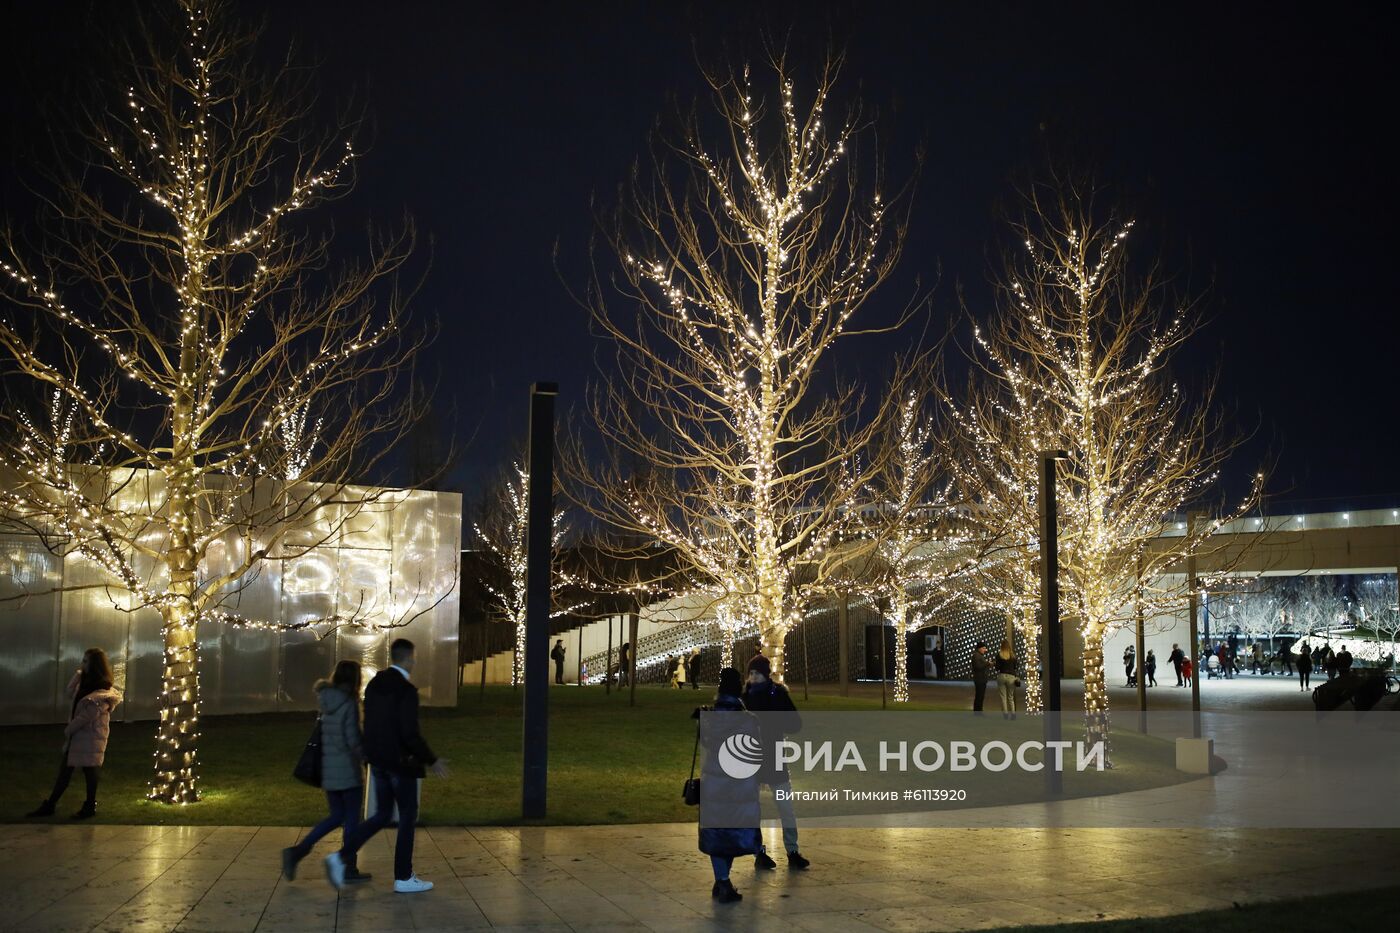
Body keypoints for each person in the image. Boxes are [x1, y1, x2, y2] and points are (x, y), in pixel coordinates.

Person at [326, 639, 449, 893]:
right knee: (407, 816)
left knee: (382, 814)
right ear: (409, 658)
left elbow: (370, 723)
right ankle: (403, 876)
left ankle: (341, 856)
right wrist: (432, 760)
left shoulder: (375, 684)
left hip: (379, 762)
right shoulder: (406, 690)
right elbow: (409, 733)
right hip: (400, 764)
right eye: (413, 658)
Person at [283, 661, 370, 883]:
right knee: (351, 820)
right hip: (348, 771)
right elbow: (352, 740)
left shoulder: (326, 700)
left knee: (336, 816)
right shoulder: (349, 703)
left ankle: (298, 851)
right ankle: (348, 867)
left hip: (328, 769)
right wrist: (367, 756)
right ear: (355, 679)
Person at [27, 648, 122, 820]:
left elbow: (88, 715)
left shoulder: (102, 689)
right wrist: (78, 675)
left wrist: (70, 728)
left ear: (94, 665)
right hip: (79, 736)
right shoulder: (84, 682)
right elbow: (69, 693)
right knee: (67, 771)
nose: (82, 664)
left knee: (89, 771)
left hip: (91, 737)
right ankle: (52, 805)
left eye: (86, 661)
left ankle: (87, 806)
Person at [698, 667, 762, 903]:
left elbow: (705, 743)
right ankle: (724, 881)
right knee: (733, 832)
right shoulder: (748, 720)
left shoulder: (708, 717)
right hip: (738, 784)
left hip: (714, 782)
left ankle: (721, 879)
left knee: (717, 833)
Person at [743, 655, 810, 870]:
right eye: (751, 673)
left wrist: (774, 721)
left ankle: (792, 850)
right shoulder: (744, 696)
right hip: (751, 758)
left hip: (774, 756)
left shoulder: (777, 693)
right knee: (753, 809)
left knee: (785, 807)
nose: (753, 677)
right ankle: (759, 852)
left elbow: (795, 723)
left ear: (766, 674)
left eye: (757, 673)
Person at [995, 639, 1018, 719]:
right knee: (1010, 697)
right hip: (1011, 677)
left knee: (1003, 697)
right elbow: (1015, 667)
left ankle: (1005, 715)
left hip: (1002, 676)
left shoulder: (999, 655)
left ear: (1001, 646)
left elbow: (997, 668)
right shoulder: (1013, 656)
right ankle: (1013, 714)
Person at [971, 642, 992, 714]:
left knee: (980, 696)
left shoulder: (979, 655)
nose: (985, 650)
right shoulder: (976, 656)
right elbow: (978, 667)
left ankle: (979, 711)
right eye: (983, 648)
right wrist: (987, 663)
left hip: (982, 679)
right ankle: (977, 712)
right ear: (979, 648)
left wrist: (987, 664)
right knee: (979, 696)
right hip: (979, 679)